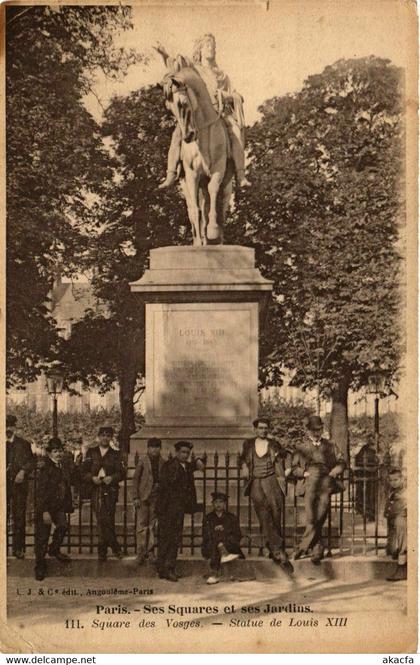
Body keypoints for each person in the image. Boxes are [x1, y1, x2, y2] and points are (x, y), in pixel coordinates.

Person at [155, 33, 251, 189]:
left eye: (213, 45)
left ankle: (240, 174)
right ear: (199, 50)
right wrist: (164, 54)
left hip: (220, 113)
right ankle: (171, 173)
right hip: (196, 114)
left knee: (236, 131)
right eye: (207, 45)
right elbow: (176, 68)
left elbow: (235, 94)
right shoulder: (194, 70)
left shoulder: (223, 75)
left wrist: (227, 96)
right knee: (178, 133)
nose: (211, 48)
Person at [239, 417, 294, 574]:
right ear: (255, 429)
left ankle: (269, 547)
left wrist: (288, 469)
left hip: (272, 480)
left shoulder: (274, 444)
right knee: (263, 514)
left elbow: (287, 455)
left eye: (265, 428)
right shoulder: (248, 443)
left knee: (276, 512)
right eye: (260, 428)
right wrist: (243, 466)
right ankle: (279, 551)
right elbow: (242, 458)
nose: (263, 431)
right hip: (255, 481)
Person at [292, 415, 346, 565]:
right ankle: (317, 548)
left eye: (319, 429)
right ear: (308, 430)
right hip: (309, 481)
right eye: (313, 430)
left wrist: (336, 470)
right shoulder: (301, 447)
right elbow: (294, 468)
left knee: (321, 514)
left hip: (326, 481)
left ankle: (302, 547)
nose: (317, 432)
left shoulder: (331, 445)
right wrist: (303, 473)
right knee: (311, 517)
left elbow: (342, 461)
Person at [157, 441, 204, 581]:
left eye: (187, 453)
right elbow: (166, 487)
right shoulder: (170, 466)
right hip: (168, 508)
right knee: (166, 538)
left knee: (175, 538)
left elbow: (197, 464)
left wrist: (198, 460)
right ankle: (164, 569)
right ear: (177, 452)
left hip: (179, 508)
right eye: (182, 452)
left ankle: (169, 567)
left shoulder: (186, 466)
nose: (185, 455)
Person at [34, 437, 78, 581]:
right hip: (46, 507)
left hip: (58, 507)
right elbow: (40, 492)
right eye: (55, 451)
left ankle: (54, 549)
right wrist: (44, 511)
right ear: (49, 453)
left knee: (63, 526)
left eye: (60, 451)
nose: (58, 454)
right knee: (42, 537)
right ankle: (40, 567)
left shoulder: (63, 466)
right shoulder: (45, 468)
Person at [82, 426, 125, 561]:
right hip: (96, 489)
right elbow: (83, 471)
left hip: (110, 489)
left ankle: (104, 550)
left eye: (108, 435)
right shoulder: (91, 452)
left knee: (108, 519)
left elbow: (121, 472)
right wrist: (92, 478)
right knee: (101, 519)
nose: (105, 438)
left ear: (111, 438)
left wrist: (111, 478)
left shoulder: (116, 454)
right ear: (98, 437)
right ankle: (114, 548)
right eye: (103, 435)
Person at [6, 414, 35, 559]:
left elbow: (31, 462)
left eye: (10, 425)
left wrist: (23, 471)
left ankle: (18, 548)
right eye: (5, 425)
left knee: (19, 516)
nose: (7, 429)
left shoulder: (24, 444)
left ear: (14, 427)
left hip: (18, 486)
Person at [132, 438, 165, 564]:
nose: (154, 450)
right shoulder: (142, 461)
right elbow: (135, 480)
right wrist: (135, 497)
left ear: (160, 449)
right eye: (152, 447)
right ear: (148, 448)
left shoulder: (163, 462)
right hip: (143, 497)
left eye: (157, 447)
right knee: (141, 526)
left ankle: (150, 552)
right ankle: (140, 552)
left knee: (152, 526)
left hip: (156, 497)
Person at [201, 491, 244, 585]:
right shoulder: (208, 518)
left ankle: (214, 574)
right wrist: (219, 542)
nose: (218, 504)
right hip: (211, 546)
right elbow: (206, 535)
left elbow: (237, 535)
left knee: (219, 541)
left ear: (225, 504)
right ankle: (222, 554)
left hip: (229, 545)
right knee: (214, 543)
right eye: (216, 502)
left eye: (221, 502)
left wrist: (222, 539)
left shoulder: (231, 517)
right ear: (212, 503)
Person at [385, 468, 407, 582]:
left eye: (396, 480)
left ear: (402, 479)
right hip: (393, 519)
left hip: (401, 519)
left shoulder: (406, 490)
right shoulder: (391, 490)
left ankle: (402, 568)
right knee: (392, 550)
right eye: (391, 480)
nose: (393, 482)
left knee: (402, 542)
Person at [354, 435, 379, 522]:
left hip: (372, 476)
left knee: (370, 496)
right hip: (367, 476)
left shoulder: (373, 450)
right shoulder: (365, 450)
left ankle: (369, 513)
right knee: (367, 496)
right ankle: (368, 513)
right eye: (372, 439)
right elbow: (358, 460)